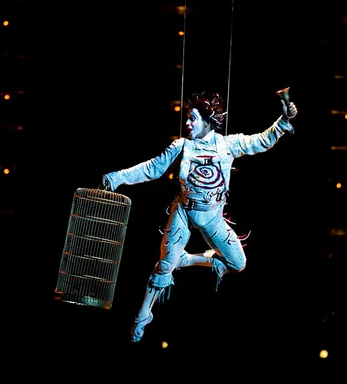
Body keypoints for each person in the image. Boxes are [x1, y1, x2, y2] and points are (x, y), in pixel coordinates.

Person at [100, 90, 297, 342]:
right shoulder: (182, 146)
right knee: (163, 268)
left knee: (238, 263)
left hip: (212, 217)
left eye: (192, 118)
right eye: (187, 118)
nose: (188, 123)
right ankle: (142, 316)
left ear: (207, 120)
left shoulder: (228, 144)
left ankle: (187, 260)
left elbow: (259, 141)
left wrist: (281, 123)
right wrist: (118, 178)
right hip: (183, 212)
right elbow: (153, 168)